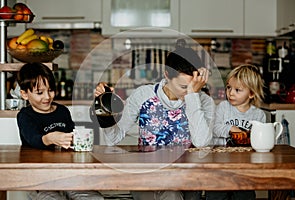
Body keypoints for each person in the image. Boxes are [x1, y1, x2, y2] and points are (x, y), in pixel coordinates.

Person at [94, 42, 215, 200]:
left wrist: (193, 96)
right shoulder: (144, 95)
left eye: (193, 87)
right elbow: (114, 137)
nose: (188, 92)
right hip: (147, 175)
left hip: (187, 176)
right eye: (184, 87)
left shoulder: (204, 102)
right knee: (171, 195)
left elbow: (201, 142)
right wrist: (106, 110)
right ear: (166, 75)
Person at [17, 62, 104, 200]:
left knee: (92, 198)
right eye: (39, 93)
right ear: (24, 94)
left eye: (50, 90)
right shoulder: (25, 115)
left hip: (69, 173)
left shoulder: (62, 111)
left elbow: (72, 135)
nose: (47, 97)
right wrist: (50, 138)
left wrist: (78, 140)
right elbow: (33, 139)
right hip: (40, 178)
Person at [207, 64, 266, 200]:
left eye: (237, 90)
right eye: (229, 88)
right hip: (220, 165)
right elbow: (215, 128)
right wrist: (231, 129)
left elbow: (259, 141)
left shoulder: (258, 115)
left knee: (244, 195)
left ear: (251, 93)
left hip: (244, 167)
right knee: (216, 195)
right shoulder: (223, 107)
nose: (231, 93)